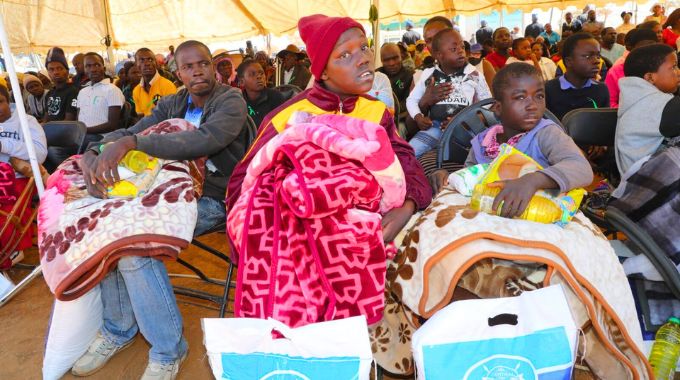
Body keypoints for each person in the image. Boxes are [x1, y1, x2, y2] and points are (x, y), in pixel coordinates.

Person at [72, 40, 248, 380]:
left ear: (213, 67)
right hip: (169, 191)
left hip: (216, 197)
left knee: (137, 249)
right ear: (178, 72)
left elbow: (204, 140)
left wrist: (134, 144)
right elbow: (132, 130)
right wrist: (95, 149)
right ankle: (118, 330)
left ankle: (169, 350)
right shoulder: (174, 102)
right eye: (188, 66)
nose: (197, 70)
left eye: (203, 63)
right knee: (106, 228)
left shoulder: (231, 101)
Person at [227, 14, 431, 251]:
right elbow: (241, 185)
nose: (363, 59)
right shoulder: (287, 118)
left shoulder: (376, 111)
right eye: (345, 55)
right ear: (322, 71)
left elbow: (405, 162)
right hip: (305, 239)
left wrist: (406, 206)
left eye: (364, 48)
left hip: (375, 221)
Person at [428, 63, 593, 201]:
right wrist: (447, 176)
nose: (532, 105)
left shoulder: (546, 133)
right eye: (521, 98)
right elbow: (470, 180)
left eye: (539, 96)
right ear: (498, 108)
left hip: (539, 218)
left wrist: (533, 180)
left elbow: (581, 169)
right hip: (491, 218)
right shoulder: (482, 143)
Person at [406, 28, 491, 158]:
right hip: (435, 127)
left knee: (483, 154)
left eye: (462, 47)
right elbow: (411, 100)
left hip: (465, 129)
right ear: (439, 55)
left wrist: (467, 120)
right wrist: (418, 117)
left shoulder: (473, 74)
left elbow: (488, 103)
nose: (461, 51)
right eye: (453, 49)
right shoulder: (428, 74)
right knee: (410, 153)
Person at [615, 43, 680, 179]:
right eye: (673, 67)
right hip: (645, 185)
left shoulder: (641, 98)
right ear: (650, 77)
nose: (678, 72)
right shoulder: (652, 104)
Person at [0, 83, 47, 267]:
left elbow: (40, 153)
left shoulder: (26, 121)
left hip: (20, 177)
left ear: (8, 100)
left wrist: (4, 146)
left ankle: (13, 248)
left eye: (1, 102)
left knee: (4, 205)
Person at [545, 33, 610, 120]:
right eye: (587, 56)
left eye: (598, 56)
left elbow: (605, 124)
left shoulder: (601, 90)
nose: (597, 61)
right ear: (568, 61)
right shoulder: (548, 90)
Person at [76, 52, 125, 145]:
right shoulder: (82, 92)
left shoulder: (112, 90)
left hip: (103, 137)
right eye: (88, 66)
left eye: (97, 65)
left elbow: (112, 125)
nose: (93, 69)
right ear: (85, 70)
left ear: (104, 68)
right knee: (54, 147)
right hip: (82, 136)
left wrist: (85, 131)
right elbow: (79, 119)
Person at [605, 28, 659, 108]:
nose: (649, 51)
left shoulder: (660, 68)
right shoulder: (616, 72)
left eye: (653, 46)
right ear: (629, 47)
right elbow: (609, 102)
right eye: (644, 47)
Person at [236, 59, 285, 127]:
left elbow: (282, 126)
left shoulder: (276, 97)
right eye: (252, 74)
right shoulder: (238, 101)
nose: (259, 77)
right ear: (241, 82)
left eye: (261, 73)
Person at [132, 48, 177, 118]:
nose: (147, 63)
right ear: (136, 64)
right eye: (142, 60)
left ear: (155, 63)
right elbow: (140, 117)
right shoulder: (136, 91)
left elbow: (172, 116)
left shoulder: (167, 85)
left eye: (150, 59)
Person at [378, 42, 414, 116]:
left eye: (395, 58)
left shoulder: (410, 76)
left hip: (400, 118)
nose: (391, 63)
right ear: (381, 61)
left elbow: (409, 102)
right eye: (386, 60)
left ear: (401, 56)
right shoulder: (376, 76)